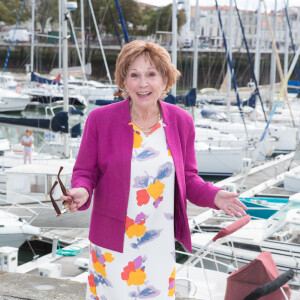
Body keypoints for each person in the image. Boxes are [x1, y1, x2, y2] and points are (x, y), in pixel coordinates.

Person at [60, 40, 248, 299]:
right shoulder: (100, 120)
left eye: (151, 74)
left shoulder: (182, 121)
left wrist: (214, 195)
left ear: (165, 80)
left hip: (159, 240)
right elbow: (85, 171)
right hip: (113, 241)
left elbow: (188, 177)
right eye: (134, 75)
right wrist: (81, 190)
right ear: (124, 81)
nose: (143, 83)